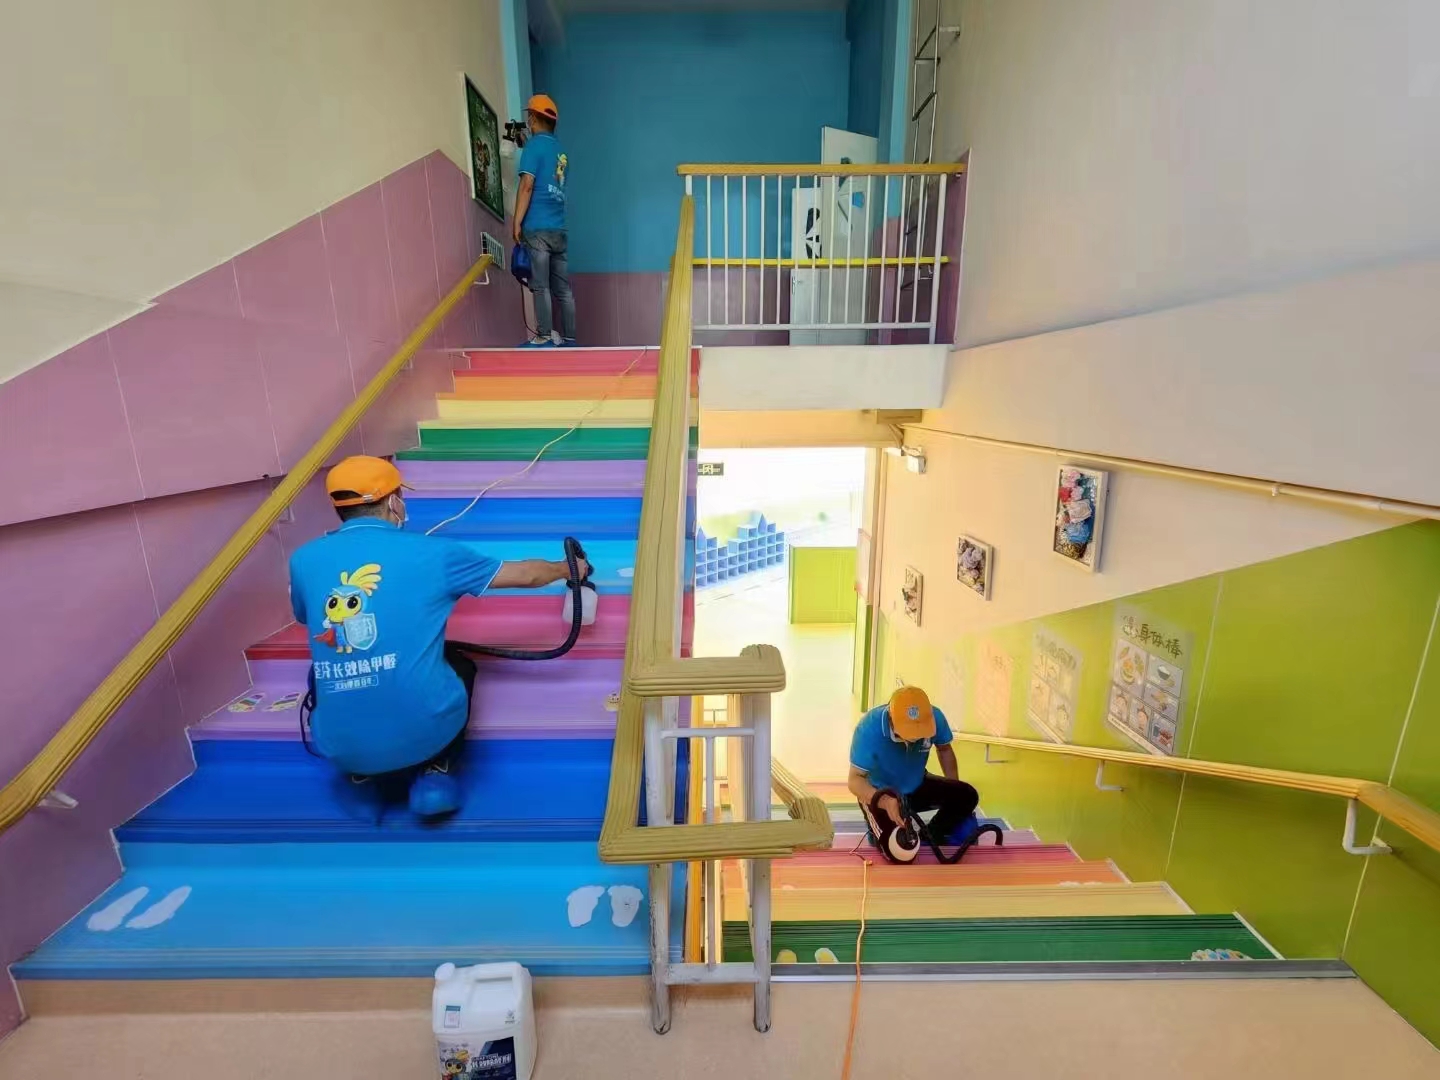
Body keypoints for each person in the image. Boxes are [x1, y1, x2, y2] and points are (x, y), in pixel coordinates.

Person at [288, 455, 588, 819]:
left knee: (318, 673)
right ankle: (436, 772)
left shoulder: (302, 560)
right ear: (394, 500)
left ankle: (360, 778)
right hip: (424, 733)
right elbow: (526, 575)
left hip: (339, 747)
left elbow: (305, 616)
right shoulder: (436, 553)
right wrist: (570, 568)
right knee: (460, 664)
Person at [847, 686, 980, 852]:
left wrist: (954, 791)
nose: (915, 737)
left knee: (967, 795)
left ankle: (930, 835)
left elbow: (944, 750)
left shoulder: (935, 717)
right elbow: (855, 780)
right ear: (891, 719)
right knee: (897, 851)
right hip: (880, 793)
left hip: (917, 784)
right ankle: (880, 831)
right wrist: (885, 801)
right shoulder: (868, 729)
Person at [513, 92, 575, 348]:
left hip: (537, 228)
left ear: (533, 119)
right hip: (559, 230)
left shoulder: (533, 147)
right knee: (563, 289)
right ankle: (570, 339)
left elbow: (527, 185)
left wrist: (516, 222)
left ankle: (545, 336)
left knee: (540, 286)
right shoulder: (561, 152)